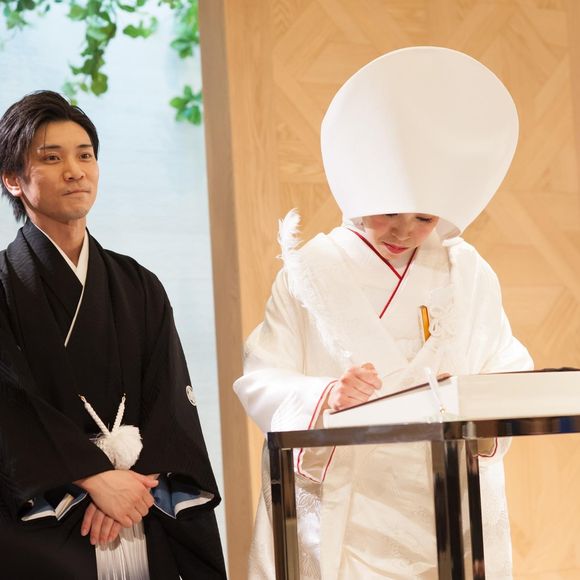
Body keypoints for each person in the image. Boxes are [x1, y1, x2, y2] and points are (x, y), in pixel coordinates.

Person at [234, 47, 533, 579]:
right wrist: (325, 395)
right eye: (390, 211)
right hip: (350, 501)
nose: (404, 231)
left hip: (445, 498)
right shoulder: (310, 270)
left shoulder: (467, 271)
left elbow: (507, 365)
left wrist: (473, 398)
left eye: (424, 218)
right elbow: (262, 377)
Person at [0, 91, 226, 579]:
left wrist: (130, 487)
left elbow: (170, 402)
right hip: (48, 520)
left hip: (141, 508)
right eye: (52, 158)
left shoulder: (137, 284)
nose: (75, 171)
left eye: (85, 155)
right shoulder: (3, 288)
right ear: (13, 179)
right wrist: (91, 478)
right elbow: (9, 406)